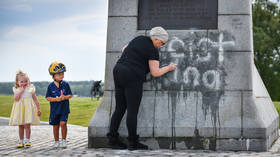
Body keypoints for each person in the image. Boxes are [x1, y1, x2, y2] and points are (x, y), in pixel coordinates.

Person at [107, 26, 177, 150]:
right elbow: (155, 72)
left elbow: (124, 49)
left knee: (120, 108)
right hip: (132, 75)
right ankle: (133, 143)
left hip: (118, 70)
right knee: (132, 110)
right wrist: (169, 68)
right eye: (161, 42)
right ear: (156, 39)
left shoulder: (139, 39)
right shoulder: (152, 50)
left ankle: (112, 140)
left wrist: (135, 58)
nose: (161, 45)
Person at [9, 70, 41, 148]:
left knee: (27, 125)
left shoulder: (31, 89)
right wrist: (21, 91)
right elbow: (16, 99)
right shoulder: (16, 89)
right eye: (22, 81)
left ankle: (27, 140)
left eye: (26, 81)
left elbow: (35, 99)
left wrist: (39, 109)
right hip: (20, 110)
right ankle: (21, 140)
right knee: (20, 126)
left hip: (28, 110)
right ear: (17, 82)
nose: (24, 83)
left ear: (28, 81)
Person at [46, 62, 72, 148]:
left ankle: (64, 140)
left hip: (64, 109)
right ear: (53, 75)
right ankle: (56, 141)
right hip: (55, 110)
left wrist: (64, 97)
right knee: (56, 126)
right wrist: (56, 99)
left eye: (62, 73)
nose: (61, 75)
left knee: (63, 123)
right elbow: (48, 98)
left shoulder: (66, 84)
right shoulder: (50, 86)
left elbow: (70, 95)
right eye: (59, 74)